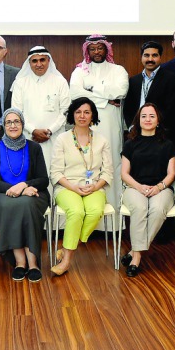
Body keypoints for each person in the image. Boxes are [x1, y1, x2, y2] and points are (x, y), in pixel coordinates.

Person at [49, 97, 114, 277]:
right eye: (78, 112)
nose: (82, 116)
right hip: (67, 187)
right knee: (77, 212)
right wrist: (74, 187)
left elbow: (108, 172)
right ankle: (66, 261)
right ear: (72, 115)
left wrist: (95, 186)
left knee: (94, 212)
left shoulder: (101, 140)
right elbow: (55, 172)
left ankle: (67, 248)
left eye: (86, 112)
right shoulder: (62, 139)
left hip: (94, 187)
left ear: (93, 115)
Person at [0, 108, 50, 282]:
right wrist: (20, 190)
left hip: (33, 192)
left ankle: (33, 263)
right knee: (12, 204)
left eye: (17, 121)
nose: (13, 125)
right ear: (4, 125)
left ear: (22, 124)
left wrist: (25, 185)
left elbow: (43, 180)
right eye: (8, 122)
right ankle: (20, 262)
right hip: (2, 193)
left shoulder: (34, 147)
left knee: (27, 204)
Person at [69, 34, 129, 210]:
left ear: (106, 49)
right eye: (92, 49)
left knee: (111, 163)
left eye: (100, 48)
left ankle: (113, 214)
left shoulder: (118, 70)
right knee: (87, 162)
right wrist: (106, 100)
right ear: (87, 51)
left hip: (111, 125)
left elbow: (121, 91)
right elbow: (75, 94)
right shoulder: (80, 71)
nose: (96, 52)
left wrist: (91, 89)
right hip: (86, 125)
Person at [118, 103, 175, 278]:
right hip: (134, 187)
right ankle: (137, 257)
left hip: (162, 188)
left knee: (158, 209)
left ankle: (134, 253)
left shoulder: (167, 144)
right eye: (144, 116)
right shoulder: (130, 143)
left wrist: (159, 187)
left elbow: (171, 174)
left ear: (158, 120)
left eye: (152, 116)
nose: (148, 119)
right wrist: (139, 187)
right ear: (138, 120)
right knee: (140, 207)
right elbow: (124, 174)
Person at [11, 46, 71, 164]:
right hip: (28, 137)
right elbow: (17, 112)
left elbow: (65, 111)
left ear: (48, 60)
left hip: (54, 137)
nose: (39, 64)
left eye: (42, 60)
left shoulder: (60, 82)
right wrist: (33, 130)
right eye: (34, 61)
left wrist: (50, 131)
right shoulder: (20, 83)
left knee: (54, 169)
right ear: (29, 63)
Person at [123, 41, 175, 134]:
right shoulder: (134, 80)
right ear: (141, 57)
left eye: (154, 55)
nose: (150, 59)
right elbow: (128, 108)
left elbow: (172, 109)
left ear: (160, 57)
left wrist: (159, 129)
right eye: (146, 55)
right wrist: (132, 127)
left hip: (160, 133)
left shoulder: (171, 78)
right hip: (137, 133)